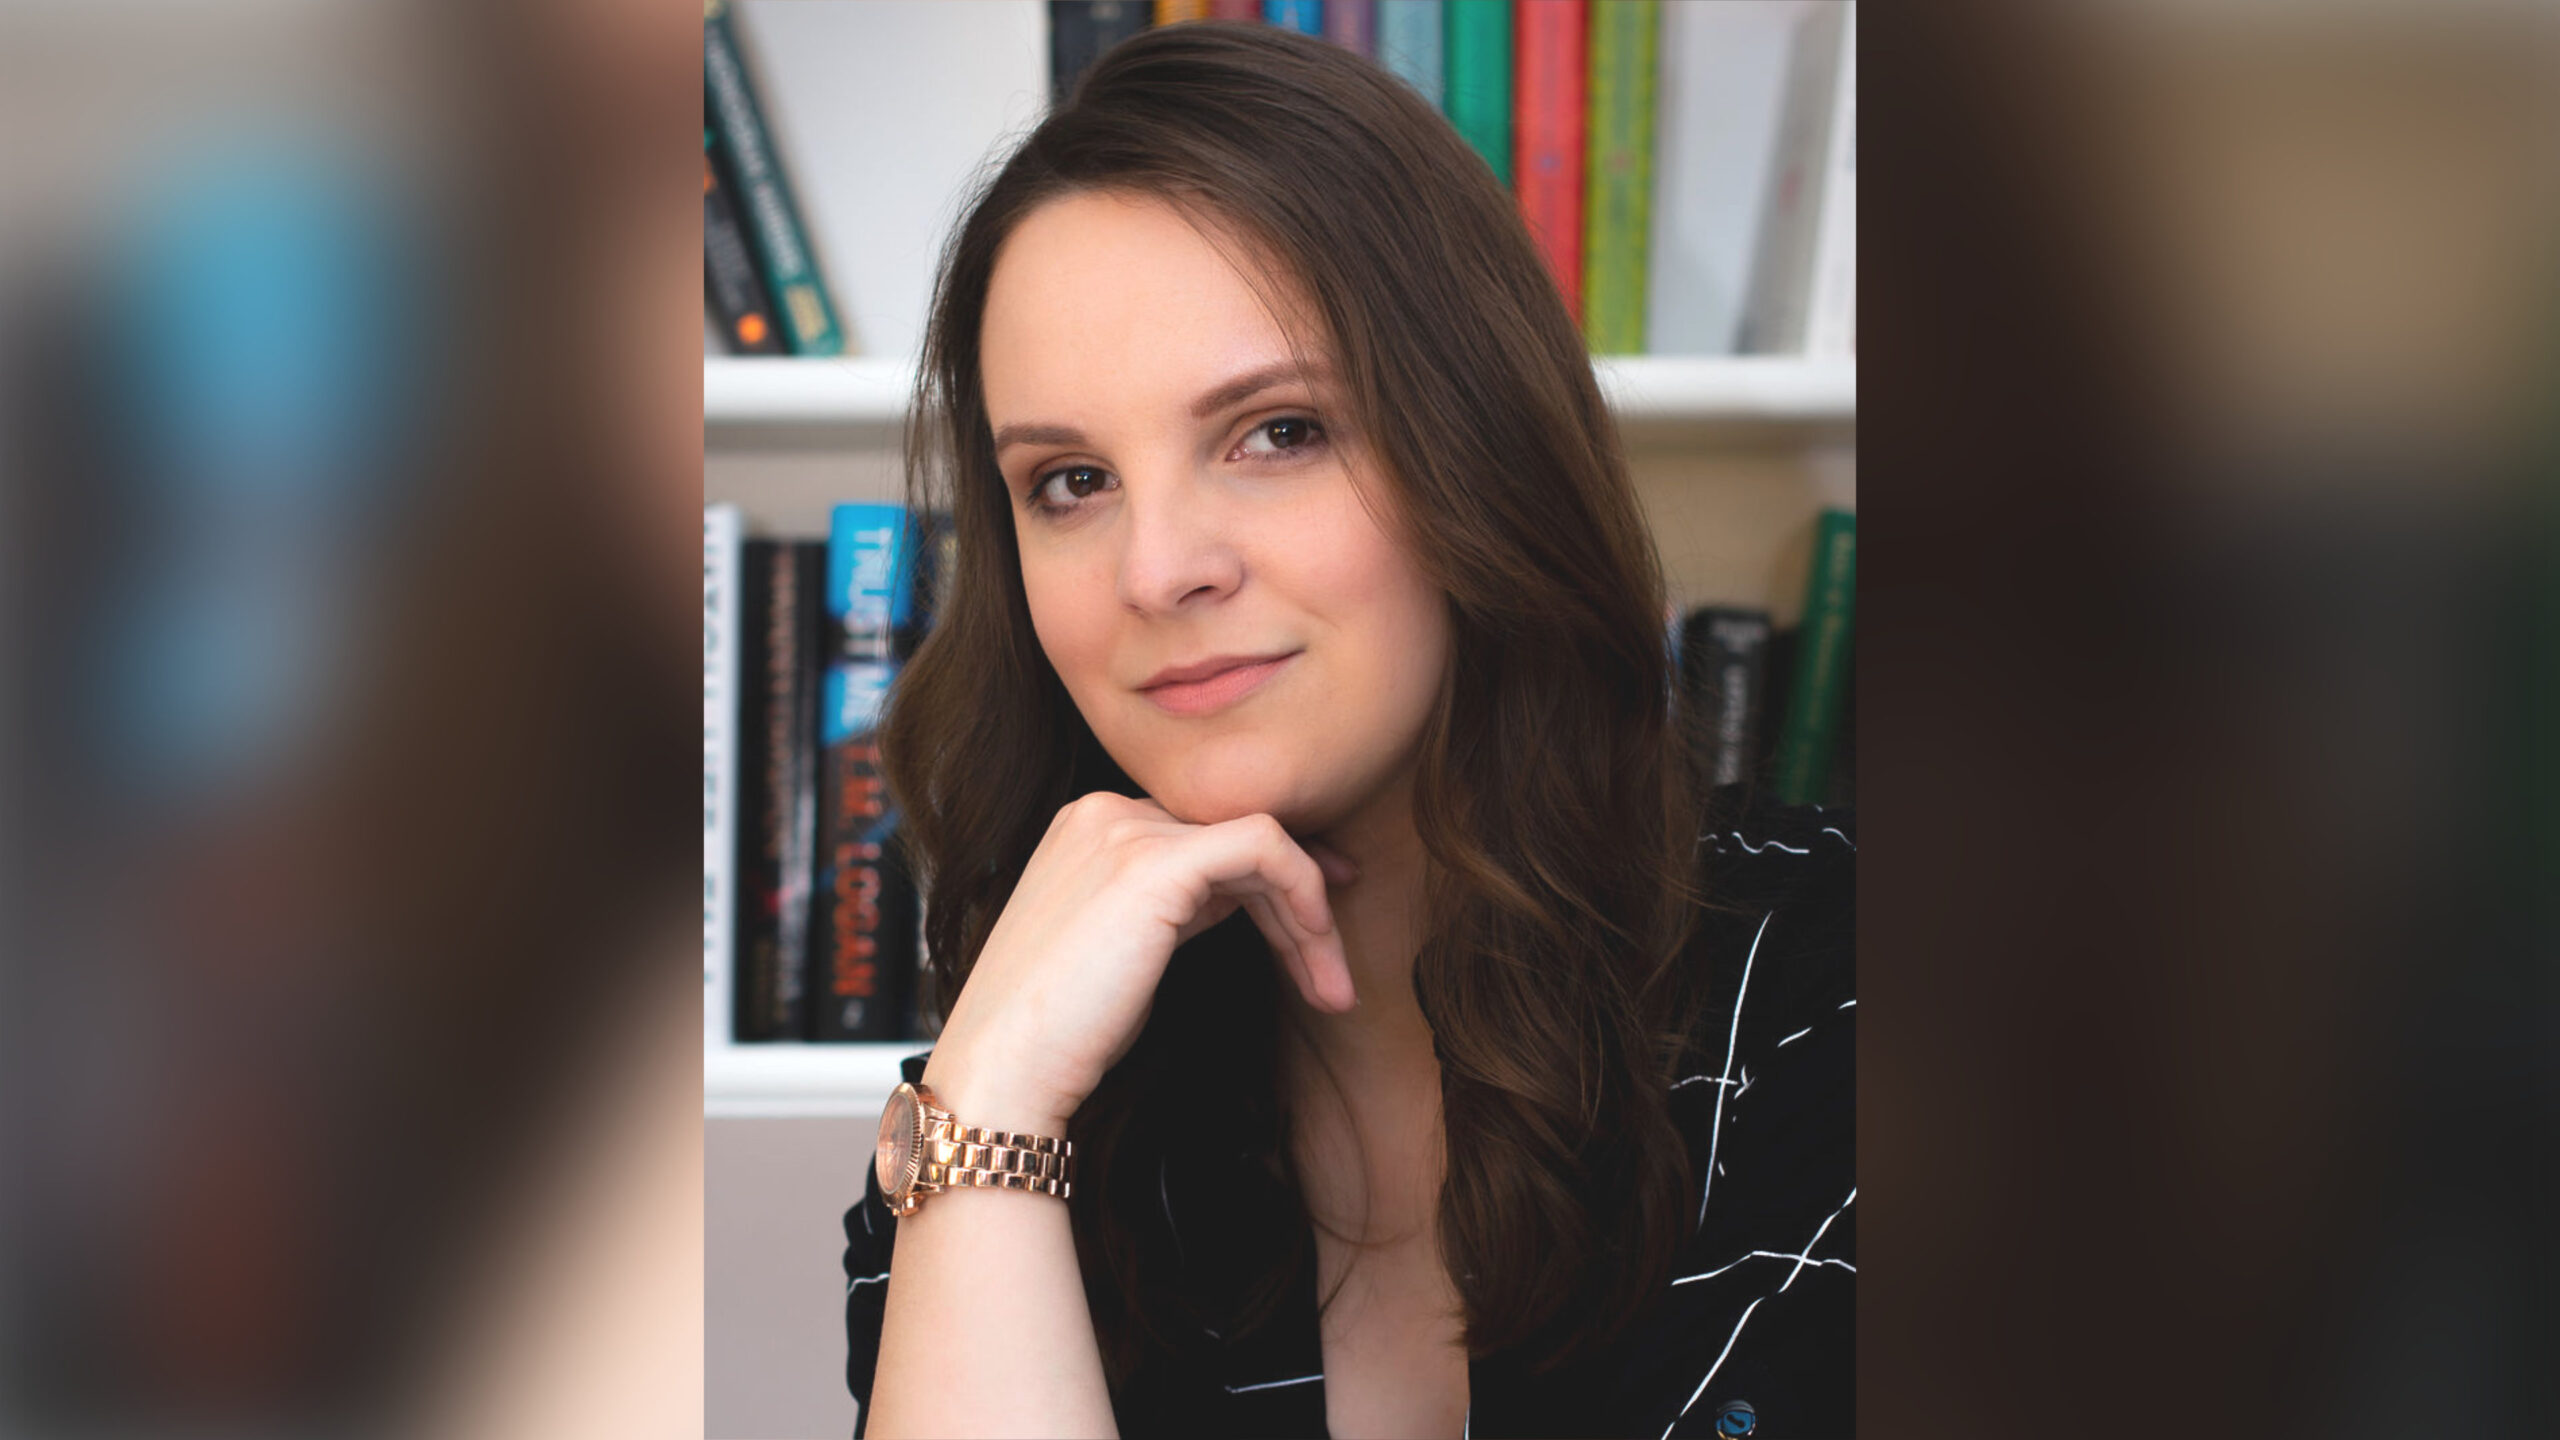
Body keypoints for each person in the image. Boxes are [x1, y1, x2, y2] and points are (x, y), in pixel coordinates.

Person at [842, 22, 1851, 1440]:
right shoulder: (985, 1126)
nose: (1157, 571)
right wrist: (991, 1107)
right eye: (1070, 481)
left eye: (1278, 432)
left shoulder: (1845, 988)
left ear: (1480, 449)